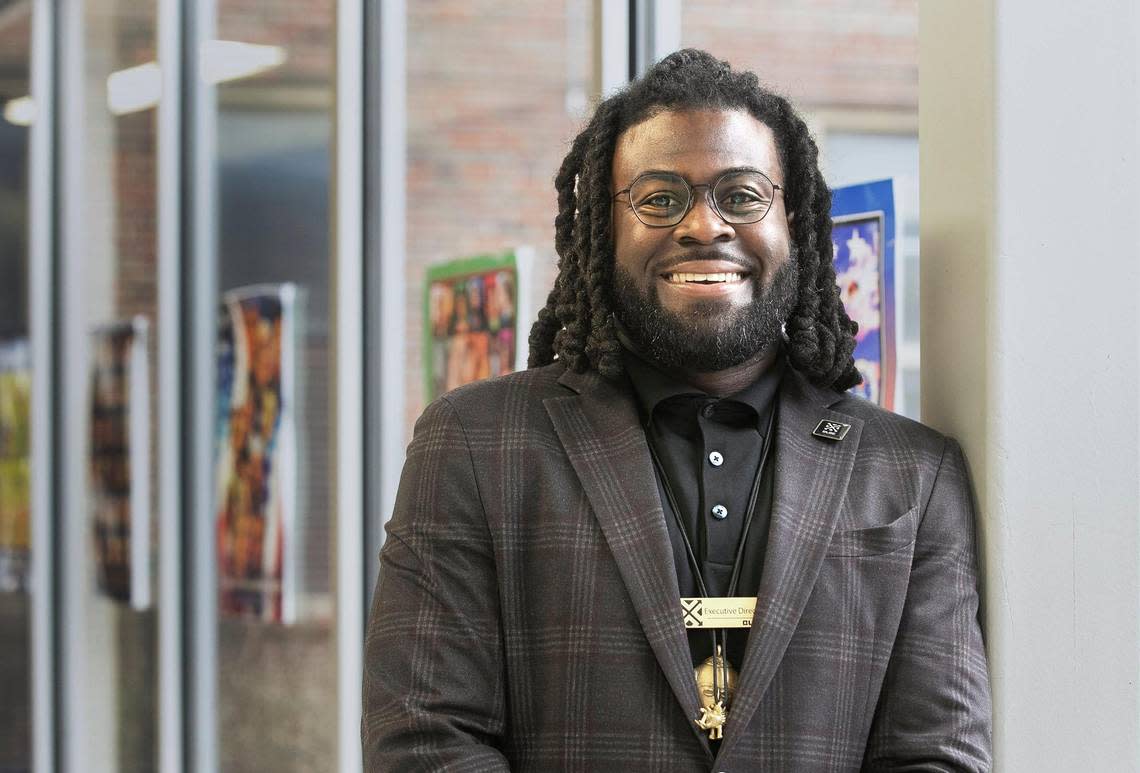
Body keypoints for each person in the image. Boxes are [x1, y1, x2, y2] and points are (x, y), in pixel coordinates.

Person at [363, 49, 991, 772]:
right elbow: (424, 737)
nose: (704, 225)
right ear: (606, 229)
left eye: (743, 196)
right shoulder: (475, 444)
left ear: (796, 221)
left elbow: (937, 754)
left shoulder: (913, 476)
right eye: (660, 198)